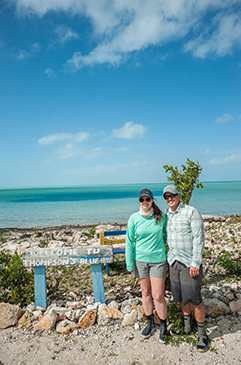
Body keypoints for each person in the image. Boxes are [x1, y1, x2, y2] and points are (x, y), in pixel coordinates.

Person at [163, 185, 209, 352]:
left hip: (190, 263)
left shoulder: (191, 212)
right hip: (174, 262)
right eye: (166, 197)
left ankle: (202, 334)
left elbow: (199, 237)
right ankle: (187, 327)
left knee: (195, 298)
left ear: (179, 195)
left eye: (172, 195)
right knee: (181, 297)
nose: (169, 199)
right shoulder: (166, 214)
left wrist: (196, 262)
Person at [125, 188, 168, 343]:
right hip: (140, 260)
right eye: (142, 200)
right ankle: (150, 323)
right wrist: (129, 263)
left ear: (152, 200)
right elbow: (129, 242)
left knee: (158, 295)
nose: (145, 202)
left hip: (158, 261)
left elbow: (166, 235)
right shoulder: (134, 218)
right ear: (139, 201)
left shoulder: (161, 217)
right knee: (145, 293)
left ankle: (163, 326)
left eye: (147, 200)